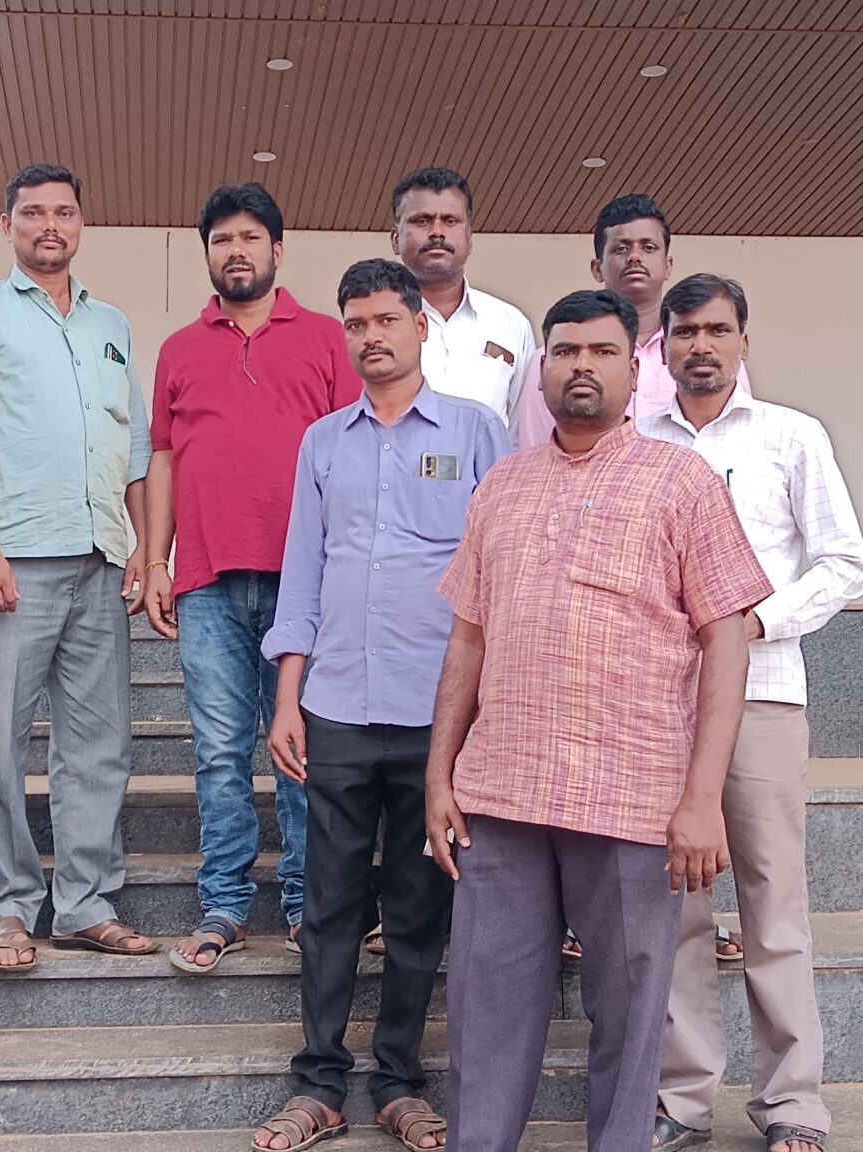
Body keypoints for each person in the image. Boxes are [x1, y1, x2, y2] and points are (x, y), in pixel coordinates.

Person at [429, 290, 771, 1152]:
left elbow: (727, 642)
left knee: (629, 1017)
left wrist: (702, 799)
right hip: (501, 796)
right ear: (542, 368)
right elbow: (467, 640)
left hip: (631, 801)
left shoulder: (682, 483)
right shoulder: (501, 487)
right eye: (566, 351)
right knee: (483, 1014)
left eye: (603, 351)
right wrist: (439, 776)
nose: (582, 365)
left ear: (632, 370)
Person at [247, 260, 510, 1152]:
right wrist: (288, 696)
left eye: (386, 320)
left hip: (439, 715)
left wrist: (487, 708)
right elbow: (303, 572)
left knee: (417, 903)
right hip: (338, 707)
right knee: (328, 904)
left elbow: (500, 573)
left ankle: (398, 1080)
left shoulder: (476, 432)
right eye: (356, 324)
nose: (371, 337)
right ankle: (319, 1083)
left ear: (419, 325)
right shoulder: (324, 442)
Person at [643, 275, 863, 1152]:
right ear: (662, 346)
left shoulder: (790, 436)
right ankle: (681, 1100)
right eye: (684, 332)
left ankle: (793, 1106)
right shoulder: (637, 441)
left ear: (743, 341)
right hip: (661, 705)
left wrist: (753, 624)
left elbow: (844, 563)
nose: (700, 346)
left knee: (773, 906)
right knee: (675, 911)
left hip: (763, 693)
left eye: (717, 330)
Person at [0, 163, 159, 969]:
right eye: (33, 213)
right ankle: (4, 909)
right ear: (7, 226)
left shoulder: (111, 324)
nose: (50, 226)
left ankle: (86, 903)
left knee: (100, 743)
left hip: (101, 558)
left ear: (80, 224)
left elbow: (134, 446)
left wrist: (145, 547)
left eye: (64, 212)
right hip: (14, 560)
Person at [138, 183, 359, 972]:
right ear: (207, 253)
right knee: (219, 752)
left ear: (277, 249)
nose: (236, 250)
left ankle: (307, 904)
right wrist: (155, 558)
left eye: (250, 237)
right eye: (222, 239)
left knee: (304, 749)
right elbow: (163, 459)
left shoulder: (328, 339)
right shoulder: (179, 349)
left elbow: (354, 452)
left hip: (308, 585)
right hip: (206, 582)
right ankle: (224, 905)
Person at [511, 195, 752, 453]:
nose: (635, 257)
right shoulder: (558, 359)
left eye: (648, 247)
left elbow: (737, 439)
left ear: (668, 265)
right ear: (597, 268)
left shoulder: (707, 355)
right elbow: (539, 451)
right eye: (621, 248)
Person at [389, 167, 536, 427]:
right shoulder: (370, 327)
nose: (437, 232)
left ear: (469, 237)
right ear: (395, 239)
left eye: (450, 221)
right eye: (421, 221)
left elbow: (520, 429)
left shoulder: (510, 323)